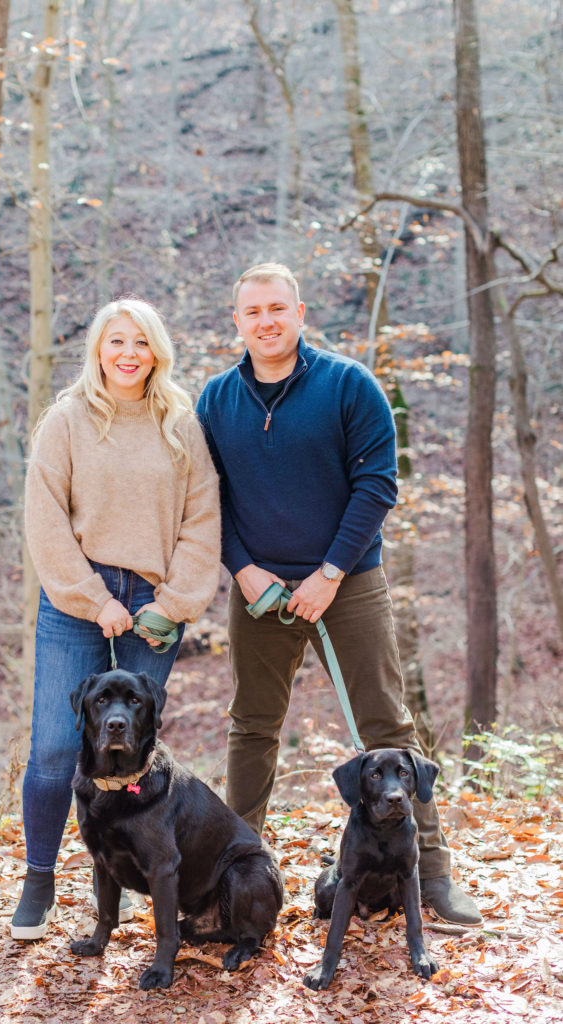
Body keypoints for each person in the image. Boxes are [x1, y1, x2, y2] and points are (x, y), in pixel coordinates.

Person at [195, 263, 482, 927]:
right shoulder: (213, 401)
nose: (265, 321)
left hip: (346, 582)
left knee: (386, 726)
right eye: (251, 311)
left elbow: (378, 483)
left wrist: (329, 573)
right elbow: (206, 498)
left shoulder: (348, 385)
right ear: (235, 322)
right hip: (259, 589)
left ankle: (432, 876)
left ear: (299, 312)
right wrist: (240, 568)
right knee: (251, 729)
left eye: (276, 308)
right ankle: (234, 881)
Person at [12, 297, 221, 940]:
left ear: (157, 350)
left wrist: (173, 603)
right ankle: (40, 878)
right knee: (55, 744)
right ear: (97, 350)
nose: (128, 354)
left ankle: (142, 879)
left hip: (155, 602)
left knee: (136, 751)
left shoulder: (180, 423)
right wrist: (92, 597)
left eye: (140, 342)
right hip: (79, 599)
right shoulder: (67, 421)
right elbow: (45, 520)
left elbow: (201, 520)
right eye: (115, 342)